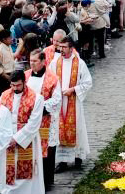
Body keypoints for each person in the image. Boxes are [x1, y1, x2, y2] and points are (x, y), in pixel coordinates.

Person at [0, 70, 44, 194]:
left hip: (26, 139)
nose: (14, 88)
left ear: (24, 82)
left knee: (25, 173)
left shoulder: (36, 98)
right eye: (12, 85)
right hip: (7, 138)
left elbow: (34, 123)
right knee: (7, 171)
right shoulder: (4, 95)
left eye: (18, 85)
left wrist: (17, 139)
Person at [54, 36, 92, 172]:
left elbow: (88, 82)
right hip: (59, 102)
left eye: (64, 47)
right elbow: (50, 80)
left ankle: (77, 158)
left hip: (73, 102)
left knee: (77, 128)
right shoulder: (55, 62)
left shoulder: (79, 63)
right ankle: (62, 161)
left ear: (71, 48)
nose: (61, 50)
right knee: (60, 129)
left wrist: (73, 89)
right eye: (60, 47)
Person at [25, 49, 59, 190]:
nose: (31, 64)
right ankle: (30, 179)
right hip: (28, 119)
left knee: (47, 150)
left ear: (43, 61)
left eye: (35, 61)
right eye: (30, 61)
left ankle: (46, 181)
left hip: (46, 119)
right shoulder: (25, 75)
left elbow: (57, 99)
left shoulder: (53, 78)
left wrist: (39, 108)